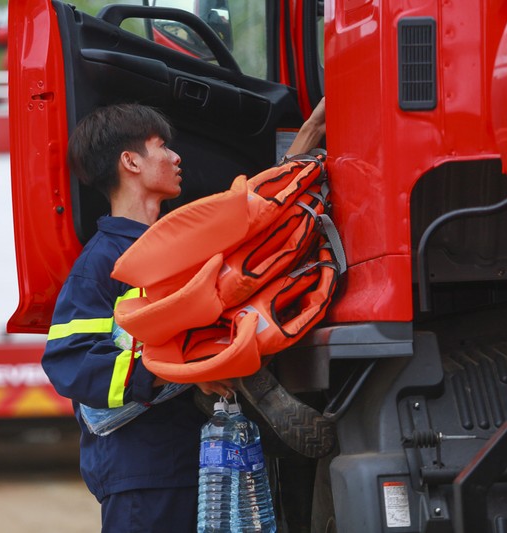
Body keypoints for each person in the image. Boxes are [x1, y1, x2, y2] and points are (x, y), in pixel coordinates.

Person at [42, 99, 326, 532]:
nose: (177, 157)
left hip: (208, 467)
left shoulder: (178, 247)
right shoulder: (100, 264)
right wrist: (178, 371)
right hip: (144, 477)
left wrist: (304, 145)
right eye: (162, 147)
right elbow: (71, 361)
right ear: (130, 161)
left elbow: (252, 235)